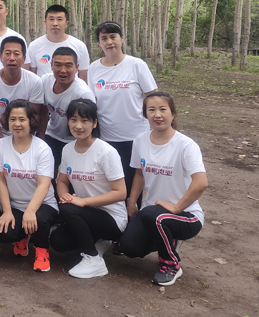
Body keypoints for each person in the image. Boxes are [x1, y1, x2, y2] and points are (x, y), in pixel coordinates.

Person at [120, 92, 208, 286]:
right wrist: (132, 202)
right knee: (129, 247)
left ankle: (170, 264)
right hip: (151, 213)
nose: (157, 115)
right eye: (151, 110)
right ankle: (168, 238)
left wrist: (177, 207)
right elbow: (140, 174)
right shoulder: (140, 140)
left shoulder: (186, 145)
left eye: (162, 109)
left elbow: (201, 183)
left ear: (173, 114)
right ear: (145, 114)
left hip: (186, 215)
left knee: (154, 215)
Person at [50, 98, 127, 279]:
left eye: (84, 121)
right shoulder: (68, 149)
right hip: (84, 213)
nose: (78, 126)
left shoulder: (106, 152)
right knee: (58, 242)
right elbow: (62, 181)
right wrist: (65, 197)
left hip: (112, 217)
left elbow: (121, 192)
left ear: (94, 123)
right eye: (73, 120)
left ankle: (94, 259)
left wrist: (83, 202)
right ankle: (98, 241)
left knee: (69, 210)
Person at [88, 21, 157, 200]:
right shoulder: (94, 68)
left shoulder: (136, 65)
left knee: (133, 182)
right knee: (110, 183)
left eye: (113, 37)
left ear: (122, 39)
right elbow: (91, 100)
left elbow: (153, 97)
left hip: (135, 136)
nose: (109, 42)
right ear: (99, 43)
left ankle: (133, 212)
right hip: (106, 136)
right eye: (104, 38)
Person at [0, 100, 58, 272]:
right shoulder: (0, 145)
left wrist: (30, 211)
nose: (17, 124)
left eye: (22, 119)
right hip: (15, 204)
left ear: (31, 121)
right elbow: (0, 180)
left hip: (43, 204)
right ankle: (23, 236)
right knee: (2, 233)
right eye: (12, 119)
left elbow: (44, 185)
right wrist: (7, 211)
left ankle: (42, 250)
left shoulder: (42, 149)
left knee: (39, 220)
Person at [42, 47, 95, 177]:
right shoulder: (45, 81)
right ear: (51, 65)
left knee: (72, 177)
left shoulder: (83, 93)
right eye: (58, 65)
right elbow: (42, 111)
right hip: (52, 134)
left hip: (75, 139)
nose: (63, 70)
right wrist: (41, 139)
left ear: (77, 68)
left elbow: (90, 124)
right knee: (46, 174)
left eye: (68, 65)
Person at [0, 36, 45, 139]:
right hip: (1, 134)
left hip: (26, 134)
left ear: (24, 59)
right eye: (7, 54)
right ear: (0, 57)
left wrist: (24, 141)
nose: (12, 58)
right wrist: (1, 142)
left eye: (16, 54)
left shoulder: (35, 81)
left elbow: (33, 116)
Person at [25, 5, 90, 81]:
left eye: (59, 19)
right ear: (45, 23)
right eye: (51, 19)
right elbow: (32, 76)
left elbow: (83, 78)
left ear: (66, 23)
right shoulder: (34, 45)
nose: (55, 23)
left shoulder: (79, 46)